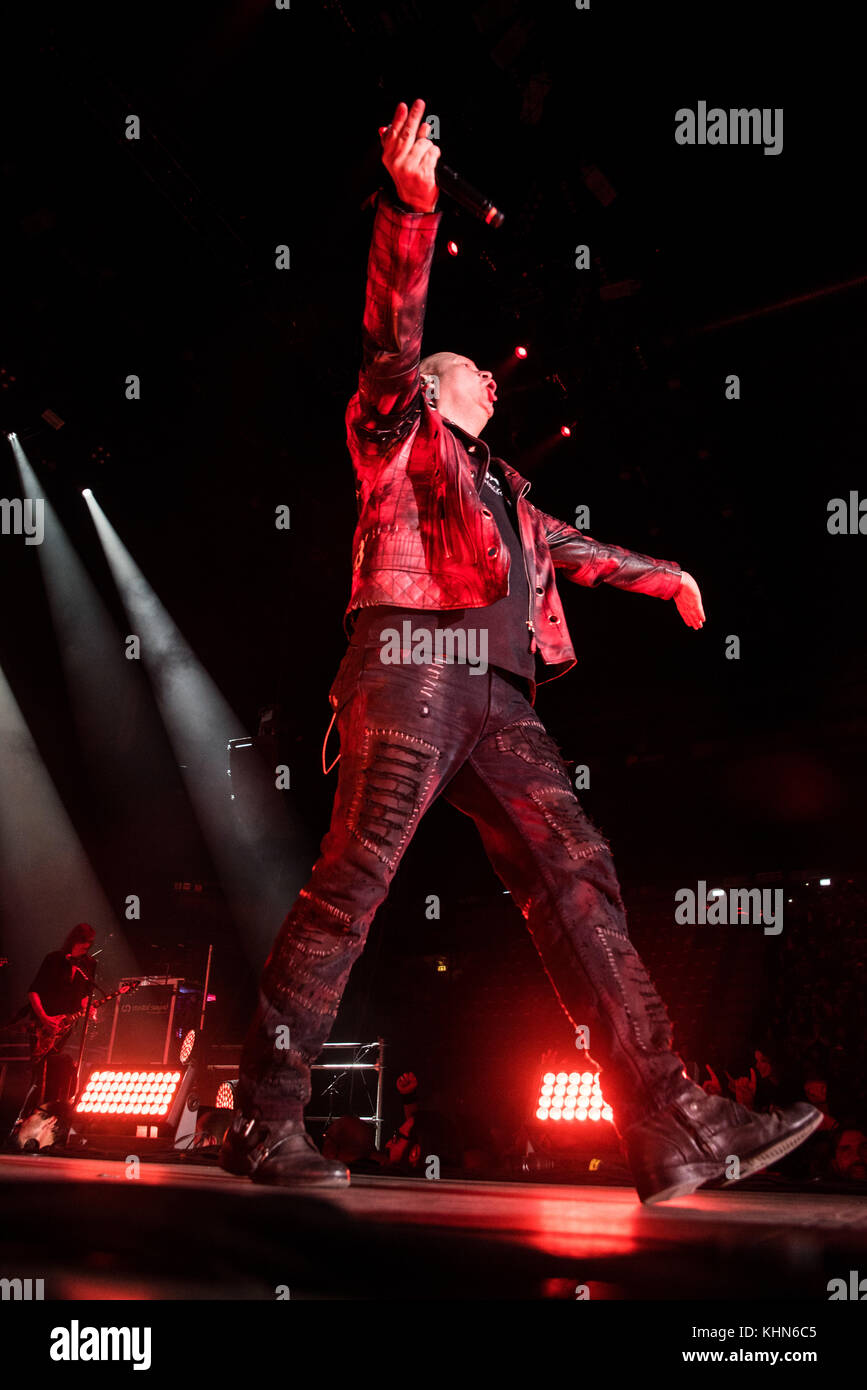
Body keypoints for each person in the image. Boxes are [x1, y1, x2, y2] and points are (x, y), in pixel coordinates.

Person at [221, 98, 822, 1202]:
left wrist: (669, 575)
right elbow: (390, 339)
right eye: (479, 376)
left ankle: (677, 1123)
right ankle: (263, 1118)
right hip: (407, 667)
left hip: (500, 698)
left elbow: (581, 549)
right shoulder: (399, 435)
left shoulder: (511, 491)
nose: (498, 383)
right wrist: (411, 215)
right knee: (353, 884)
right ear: (441, 394)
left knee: (577, 877)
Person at [24, 923, 97, 1114]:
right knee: (38, 1069)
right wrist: (44, 1017)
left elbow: (86, 994)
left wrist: (89, 1009)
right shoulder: (54, 959)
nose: (86, 947)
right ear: (74, 940)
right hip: (42, 1022)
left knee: (55, 1067)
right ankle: (25, 1113)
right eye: (83, 942)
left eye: (88, 943)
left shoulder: (89, 964)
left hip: (65, 1025)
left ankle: (46, 1110)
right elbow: (34, 991)